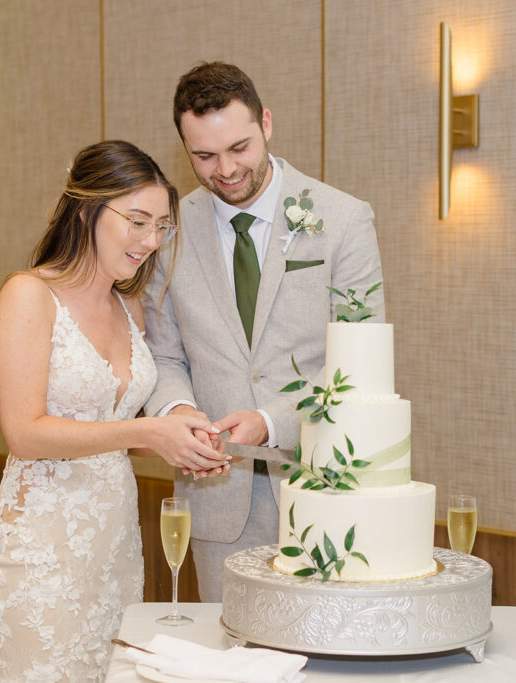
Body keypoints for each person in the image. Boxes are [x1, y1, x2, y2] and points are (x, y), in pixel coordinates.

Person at [0, 140, 226, 682]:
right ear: (87, 210)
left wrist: (180, 440)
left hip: (113, 546)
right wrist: (148, 429)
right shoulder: (28, 295)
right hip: (39, 553)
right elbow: (26, 433)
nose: (150, 241)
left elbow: (114, 432)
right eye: (137, 221)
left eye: (162, 226)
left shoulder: (128, 304)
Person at [142, 62, 386, 601]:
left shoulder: (343, 221)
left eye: (240, 148)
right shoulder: (171, 233)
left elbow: (361, 365)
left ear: (267, 124)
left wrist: (270, 422)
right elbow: (162, 357)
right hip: (214, 503)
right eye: (203, 156)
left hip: (325, 494)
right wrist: (177, 412)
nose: (225, 169)